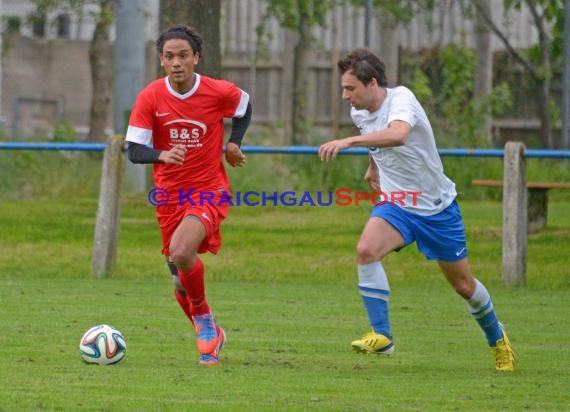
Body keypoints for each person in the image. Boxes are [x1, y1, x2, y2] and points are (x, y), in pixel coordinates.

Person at [318, 48, 515, 372]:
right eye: (343, 88)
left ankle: (498, 340)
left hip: (436, 208)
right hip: (398, 203)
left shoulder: (401, 100)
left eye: (350, 88)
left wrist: (347, 142)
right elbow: (376, 139)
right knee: (366, 250)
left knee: (464, 286)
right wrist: (373, 168)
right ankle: (382, 336)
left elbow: (397, 134)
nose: (344, 96)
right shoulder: (361, 113)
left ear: (372, 84)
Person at [126, 25, 252, 365]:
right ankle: (210, 335)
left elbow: (243, 105)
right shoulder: (151, 97)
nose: (177, 62)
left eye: (183, 55)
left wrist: (234, 142)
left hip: (209, 190)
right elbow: (134, 150)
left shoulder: (217, 91)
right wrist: (161, 154)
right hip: (169, 197)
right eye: (169, 56)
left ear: (196, 57)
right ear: (161, 61)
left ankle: (204, 318)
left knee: (182, 253)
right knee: (179, 279)